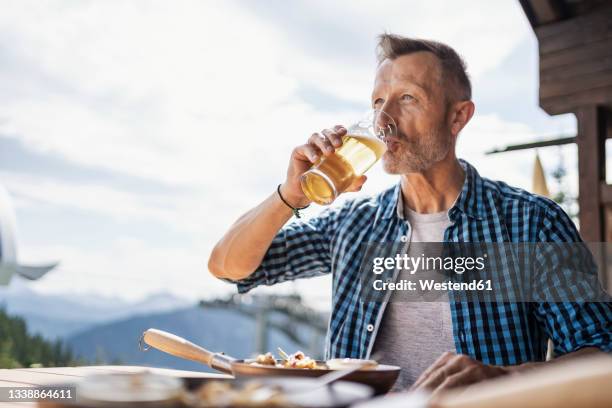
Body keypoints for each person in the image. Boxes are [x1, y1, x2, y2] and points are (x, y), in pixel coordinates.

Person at [208, 34, 611, 394]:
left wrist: (506, 379)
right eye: (378, 102)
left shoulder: (530, 223)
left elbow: (601, 352)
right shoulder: (354, 224)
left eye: (407, 98)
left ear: (458, 116)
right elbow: (230, 266)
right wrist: (289, 196)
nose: (384, 121)